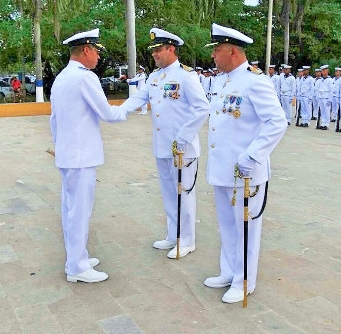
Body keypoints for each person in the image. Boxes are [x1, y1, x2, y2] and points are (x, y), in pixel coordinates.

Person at [203, 23, 287, 304]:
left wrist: (253, 155)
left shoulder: (255, 81)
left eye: (216, 50)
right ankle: (229, 271)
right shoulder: (221, 81)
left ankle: (244, 280)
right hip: (223, 169)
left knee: (246, 227)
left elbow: (277, 122)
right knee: (227, 226)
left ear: (232, 51)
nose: (213, 56)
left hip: (246, 173)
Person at [119, 28, 209, 259]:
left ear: (171, 49)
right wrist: (118, 111)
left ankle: (187, 240)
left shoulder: (186, 76)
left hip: (182, 149)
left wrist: (183, 138)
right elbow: (139, 98)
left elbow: (202, 108)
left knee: (184, 194)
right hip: (162, 147)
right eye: (153, 51)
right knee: (169, 193)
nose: (155, 55)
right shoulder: (155, 77)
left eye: (158, 50)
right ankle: (173, 235)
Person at [50, 28, 127, 283]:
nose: (97, 57)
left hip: (68, 154)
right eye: (96, 51)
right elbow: (108, 114)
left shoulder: (62, 77)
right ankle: (77, 268)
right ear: (86, 50)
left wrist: (61, 146)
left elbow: (54, 120)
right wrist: (131, 104)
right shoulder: (85, 78)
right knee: (79, 211)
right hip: (81, 157)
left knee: (71, 209)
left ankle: (76, 257)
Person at [315, 65, 333, 129]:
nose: (323, 72)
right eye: (322, 71)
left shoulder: (330, 80)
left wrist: (330, 99)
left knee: (327, 111)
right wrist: (318, 97)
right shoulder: (320, 80)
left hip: (326, 97)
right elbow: (317, 89)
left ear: (327, 71)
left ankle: (326, 124)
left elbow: (331, 90)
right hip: (321, 97)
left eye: (324, 70)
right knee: (322, 111)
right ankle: (323, 123)